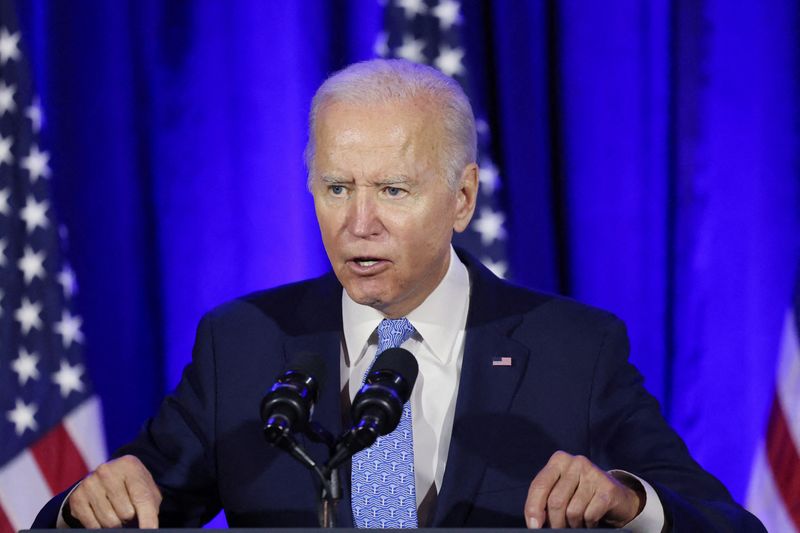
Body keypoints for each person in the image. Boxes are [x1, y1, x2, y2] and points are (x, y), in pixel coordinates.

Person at [34, 59, 764, 531]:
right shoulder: (244, 342)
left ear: (462, 197)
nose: (358, 223)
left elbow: (726, 525)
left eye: (392, 189)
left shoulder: (574, 348)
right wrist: (83, 510)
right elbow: (129, 501)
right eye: (335, 188)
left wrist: (627, 503)